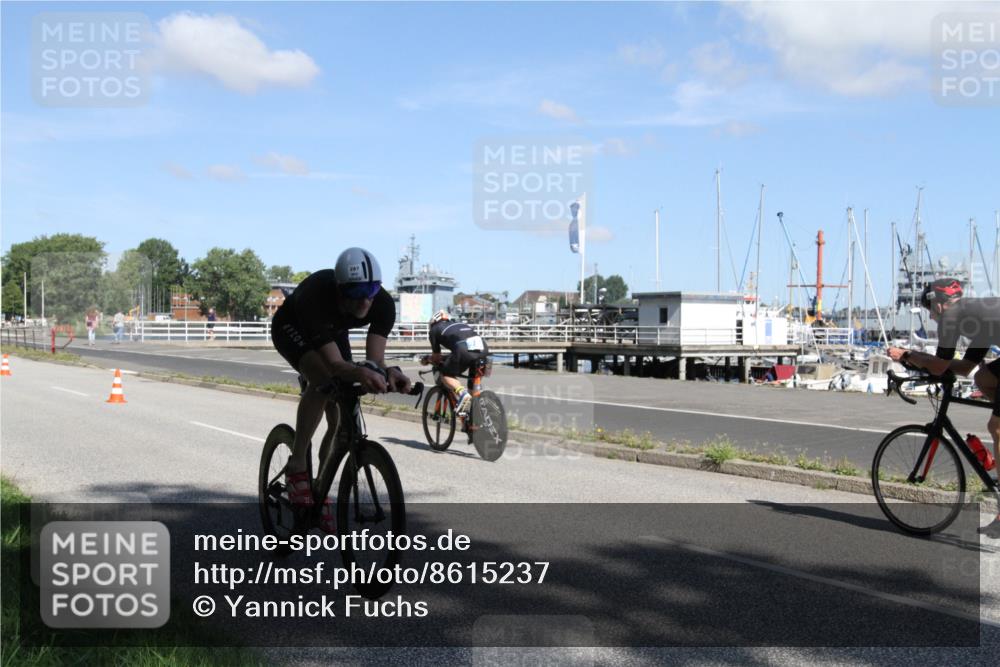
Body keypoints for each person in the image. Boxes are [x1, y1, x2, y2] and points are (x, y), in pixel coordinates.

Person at [270, 248, 411, 532]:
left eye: (372, 289)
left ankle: (320, 486)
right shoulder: (317, 296)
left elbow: (375, 361)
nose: (366, 300)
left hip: (333, 331)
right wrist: (358, 371)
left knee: (340, 419)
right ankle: (298, 465)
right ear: (340, 289)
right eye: (358, 291)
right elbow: (335, 364)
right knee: (323, 380)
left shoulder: (382, 304)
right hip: (293, 327)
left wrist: (389, 372)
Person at [887, 278, 1000, 537]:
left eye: (929, 310)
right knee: (983, 378)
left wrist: (905, 355)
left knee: (996, 426)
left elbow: (939, 366)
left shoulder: (951, 317)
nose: (932, 317)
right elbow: (964, 368)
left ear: (938, 305)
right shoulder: (975, 318)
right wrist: (919, 361)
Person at [420, 310, 489, 417]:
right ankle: (477, 418)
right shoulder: (459, 324)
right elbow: (464, 349)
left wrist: (427, 359)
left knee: (445, 374)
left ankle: (462, 393)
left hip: (462, 350)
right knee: (473, 387)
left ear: (433, 322)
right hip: (483, 349)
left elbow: (436, 358)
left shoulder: (434, 329)